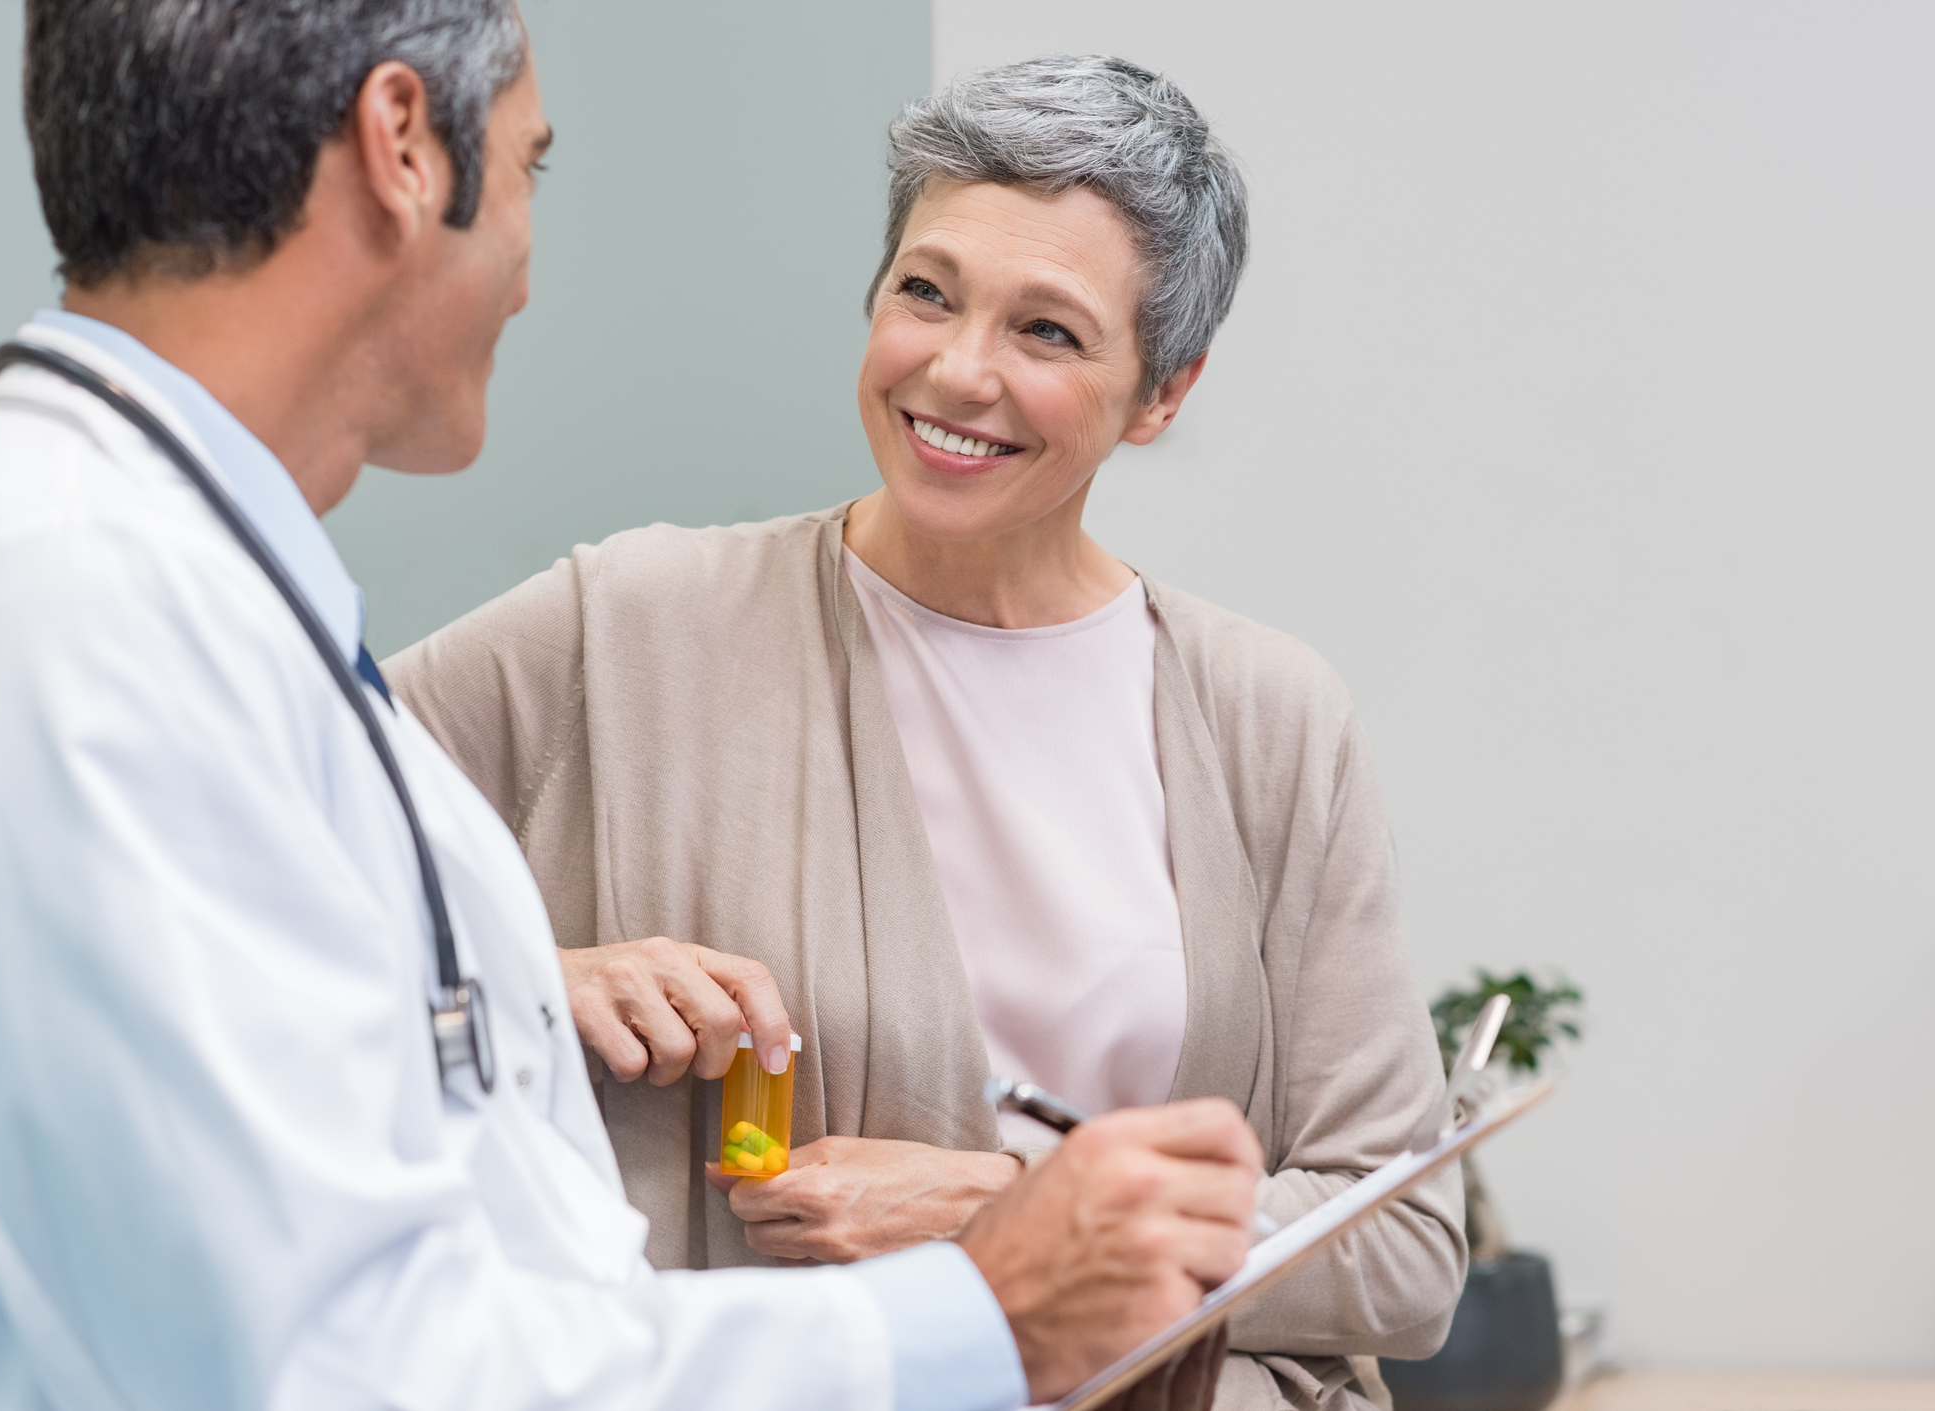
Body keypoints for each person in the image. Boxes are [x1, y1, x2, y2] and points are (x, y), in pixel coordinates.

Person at [0, 9, 1267, 1409]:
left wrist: (520, 978)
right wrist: (977, 1316)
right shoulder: (73, 619)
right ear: (404, 146)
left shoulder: (178, 607)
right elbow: (335, 1375)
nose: (526, 265)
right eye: (530, 167)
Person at [387, 56, 1463, 1410]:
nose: (957, 373)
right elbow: (238, 885)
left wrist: (993, 1208)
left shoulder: (1266, 717)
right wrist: (535, 969)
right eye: (926, 293)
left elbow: (1405, 1244)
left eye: (1048, 333)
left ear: (1162, 394)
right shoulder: (626, 624)